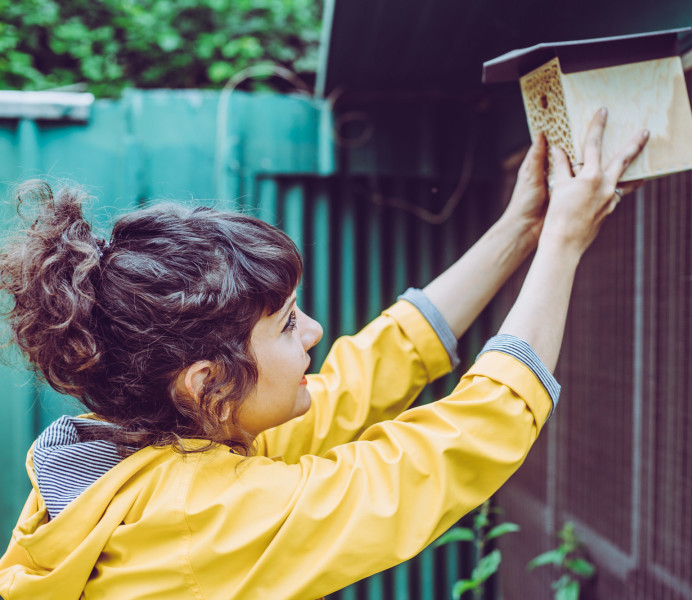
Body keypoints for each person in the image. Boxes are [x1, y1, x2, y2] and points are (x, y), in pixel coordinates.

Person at [0, 108, 647, 600]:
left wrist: (523, 226)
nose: (312, 331)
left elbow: (361, 377)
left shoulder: (144, 463)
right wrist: (564, 243)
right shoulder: (200, 521)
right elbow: (432, 462)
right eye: (284, 326)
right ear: (207, 384)